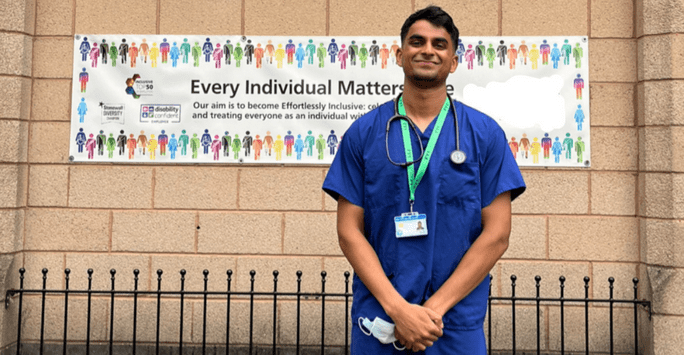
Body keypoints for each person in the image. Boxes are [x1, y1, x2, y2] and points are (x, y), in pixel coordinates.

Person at [322, 6, 525, 354]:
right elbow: (348, 231)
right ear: (400, 54)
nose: (428, 50)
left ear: (453, 61)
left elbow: (497, 235)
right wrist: (399, 310)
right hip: (382, 323)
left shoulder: (484, 135)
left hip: (453, 324)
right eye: (417, 42)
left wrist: (429, 314)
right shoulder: (364, 133)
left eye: (440, 44)